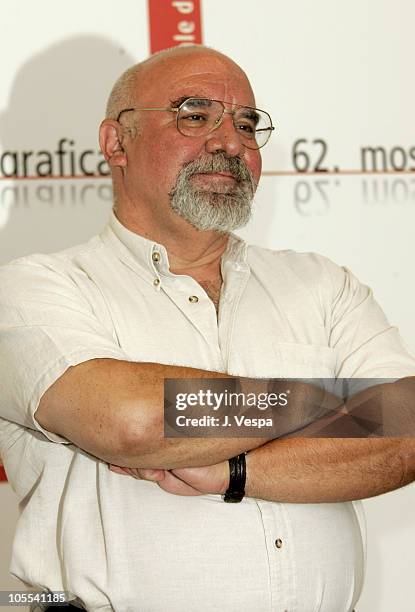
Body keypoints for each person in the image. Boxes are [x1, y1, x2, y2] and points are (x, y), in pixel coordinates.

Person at [0, 44, 414, 612]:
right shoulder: (34, 288)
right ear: (116, 142)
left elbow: (406, 431)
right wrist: (331, 404)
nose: (228, 141)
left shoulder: (322, 283)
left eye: (246, 123)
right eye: (195, 115)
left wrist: (231, 469)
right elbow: (135, 420)